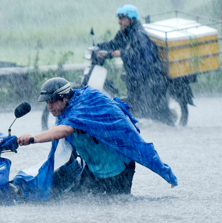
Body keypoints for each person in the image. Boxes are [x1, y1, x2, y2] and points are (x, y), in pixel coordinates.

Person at [17, 77, 178, 197]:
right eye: (47, 102)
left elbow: (66, 130)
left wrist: (33, 139)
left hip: (119, 168)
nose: (49, 106)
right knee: (79, 203)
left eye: (52, 101)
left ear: (64, 97)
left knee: (118, 206)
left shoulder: (85, 103)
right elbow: (66, 149)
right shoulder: (63, 115)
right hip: (94, 170)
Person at [96, 4, 175, 126]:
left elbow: (136, 52)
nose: (119, 22)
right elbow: (114, 43)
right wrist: (99, 46)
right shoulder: (125, 33)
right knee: (135, 106)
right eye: (119, 18)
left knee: (148, 109)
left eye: (122, 18)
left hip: (149, 76)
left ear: (131, 19)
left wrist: (119, 53)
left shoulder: (139, 34)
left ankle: (170, 128)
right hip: (135, 76)